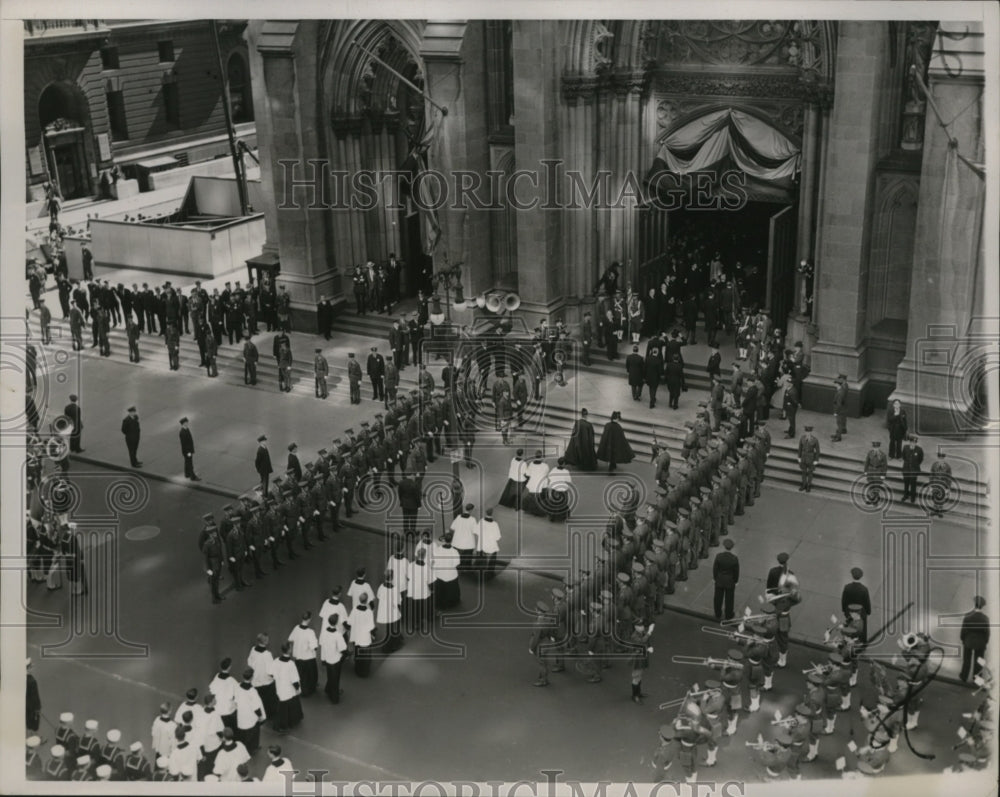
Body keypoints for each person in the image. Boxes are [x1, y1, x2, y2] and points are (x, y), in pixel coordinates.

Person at [271, 643, 303, 732]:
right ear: (289, 650)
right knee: (290, 705)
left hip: (280, 688)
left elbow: (271, 673)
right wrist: (298, 689)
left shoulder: (276, 661)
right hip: (289, 690)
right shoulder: (291, 664)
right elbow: (294, 680)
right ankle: (288, 723)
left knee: (282, 706)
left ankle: (282, 724)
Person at [234, 669, 265, 755]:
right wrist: (260, 716)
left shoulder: (238, 686)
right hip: (250, 716)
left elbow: (235, 699)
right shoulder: (252, 691)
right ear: (251, 678)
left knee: (243, 733)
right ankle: (252, 749)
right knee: (253, 733)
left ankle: (243, 749)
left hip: (241, 713)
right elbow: (256, 707)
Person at [288, 612, 319, 697]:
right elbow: (314, 647)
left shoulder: (296, 628)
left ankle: (302, 689)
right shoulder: (310, 632)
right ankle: (309, 690)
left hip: (298, 656)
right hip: (308, 657)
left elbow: (290, 639)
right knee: (311, 675)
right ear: (309, 619)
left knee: (301, 674)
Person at [960, 595, 989, 683]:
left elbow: (963, 630)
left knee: (967, 660)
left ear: (975, 605)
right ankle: (977, 679)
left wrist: (963, 639)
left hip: (968, 640)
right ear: (982, 606)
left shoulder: (968, 616)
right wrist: (985, 642)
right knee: (979, 662)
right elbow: (987, 633)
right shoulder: (985, 618)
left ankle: (964, 676)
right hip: (980, 642)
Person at [347, 592, 376, 677]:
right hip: (365, 637)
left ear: (359, 600)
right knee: (366, 655)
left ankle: (358, 670)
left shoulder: (354, 610)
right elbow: (371, 626)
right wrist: (373, 634)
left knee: (358, 653)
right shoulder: (369, 612)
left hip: (357, 636)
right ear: (366, 601)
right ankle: (365, 672)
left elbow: (349, 622)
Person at [319, 616, 347, 703]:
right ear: (336, 623)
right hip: (335, 660)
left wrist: (323, 658)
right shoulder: (337, 635)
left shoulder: (324, 633)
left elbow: (322, 644)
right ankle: (334, 698)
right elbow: (342, 648)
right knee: (335, 678)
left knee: (330, 675)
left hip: (327, 658)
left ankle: (328, 689)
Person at [840, 567, 871, 642]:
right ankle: (862, 642)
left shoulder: (847, 587)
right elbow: (867, 602)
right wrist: (868, 611)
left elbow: (844, 601)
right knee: (862, 628)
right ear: (861, 577)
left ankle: (849, 642)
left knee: (850, 627)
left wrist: (845, 610)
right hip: (860, 612)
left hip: (850, 612)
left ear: (852, 576)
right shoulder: (864, 589)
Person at [432, 532, 461, 611]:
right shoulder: (455, 552)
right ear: (452, 541)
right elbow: (456, 564)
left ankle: (439, 602)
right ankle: (451, 602)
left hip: (439, 575)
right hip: (451, 576)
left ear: (444, 540)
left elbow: (433, 562)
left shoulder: (437, 550)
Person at [712, 538, 739, 621]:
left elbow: (715, 569)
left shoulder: (719, 556)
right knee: (729, 599)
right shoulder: (734, 558)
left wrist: (715, 578)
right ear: (732, 548)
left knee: (718, 598)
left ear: (724, 546)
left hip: (719, 580)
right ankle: (728, 614)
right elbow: (736, 571)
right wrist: (735, 581)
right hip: (730, 581)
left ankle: (717, 613)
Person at [478, 507, 502, 581]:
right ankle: (490, 572)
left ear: (486, 513)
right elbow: (498, 537)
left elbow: (476, 531)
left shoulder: (481, 521)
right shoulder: (495, 524)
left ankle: (480, 571)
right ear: (492, 513)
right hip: (491, 545)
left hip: (482, 544)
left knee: (481, 556)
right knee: (493, 555)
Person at [901, 434, 924, 504]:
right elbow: (904, 457)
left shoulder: (919, 450)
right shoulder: (905, 447)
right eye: (912, 442)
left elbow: (920, 459)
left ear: (916, 443)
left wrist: (915, 465)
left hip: (914, 469)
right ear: (909, 442)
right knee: (906, 482)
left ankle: (912, 497)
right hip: (906, 469)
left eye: (914, 442)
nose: (913, 443)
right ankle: (905, 495)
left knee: (913, 484)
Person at [863, 441, 887, 506]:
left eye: (877, 447)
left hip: (878, 471)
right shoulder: (870, 453)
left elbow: (885, 466)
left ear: (879, 447)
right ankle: (870, 499)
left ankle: (875, 500)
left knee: (876, 486)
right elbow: (867, 462)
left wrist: (883, 475)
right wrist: (865, 471)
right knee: (871, 486)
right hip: (870, 471)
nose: (875, 449)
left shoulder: (883, 455)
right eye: (874, 447)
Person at [929, 451, 953, 517]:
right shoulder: (934, 465)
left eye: (942, 458)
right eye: (939, 458)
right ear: (937, 458)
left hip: (943, 484)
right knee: (935, 497)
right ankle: (934, 510)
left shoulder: (947, 467)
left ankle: (940, 511)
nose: (941, 460)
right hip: (935, 484)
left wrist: (948, 488)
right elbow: (931, 475)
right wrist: (930, 486)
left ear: (944, 459)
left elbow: (949, 478)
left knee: (941, 498)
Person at [797, 425, 820, 492]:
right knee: (803, 472)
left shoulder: (815, 440)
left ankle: (809, 485)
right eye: (806, 432)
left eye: (809, 432)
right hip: (803, 457)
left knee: (810, 473)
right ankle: (804, 484)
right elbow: (800, 448)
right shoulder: (802, 438)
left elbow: (818, 451)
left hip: (811, 458)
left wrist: (816, 460)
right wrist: (799, 457)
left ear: (811, 432)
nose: (808, 433)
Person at [831, 374, 848, 442]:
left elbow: (838, 404)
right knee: (840, 423)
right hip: (842, 409)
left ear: (838, 384)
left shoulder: (840, 392)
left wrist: (836, 412)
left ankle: (838, 437)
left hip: (840, 410)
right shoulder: (841, 389)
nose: (835, 385)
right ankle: (838, 434)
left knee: (839, 423)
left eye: (836, 384)